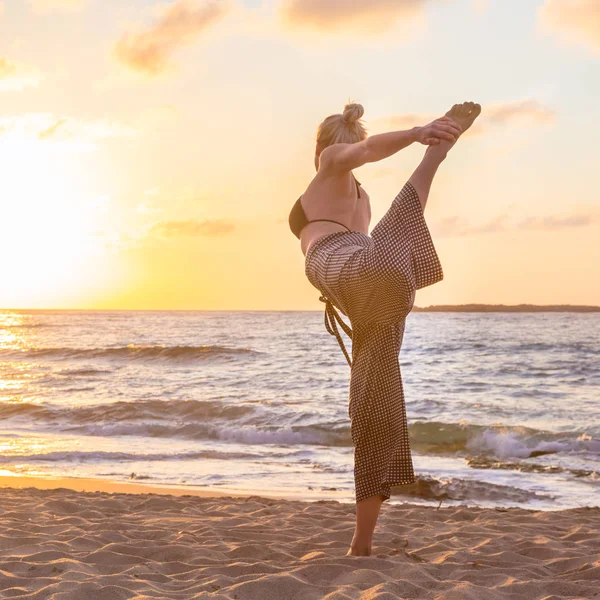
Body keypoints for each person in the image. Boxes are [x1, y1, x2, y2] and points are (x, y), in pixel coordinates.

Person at [289, 100, 482, 556]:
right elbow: (369, 153)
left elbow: (368, 151)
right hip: (375, 284)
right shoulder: (346, 183)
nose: (350, 156)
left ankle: (438, 143)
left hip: (359, 273)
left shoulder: (334, 170)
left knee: (375, 410)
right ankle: (361, 542)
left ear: (319, 145)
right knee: (374, 408)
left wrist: (419, 132)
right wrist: (422, 136)